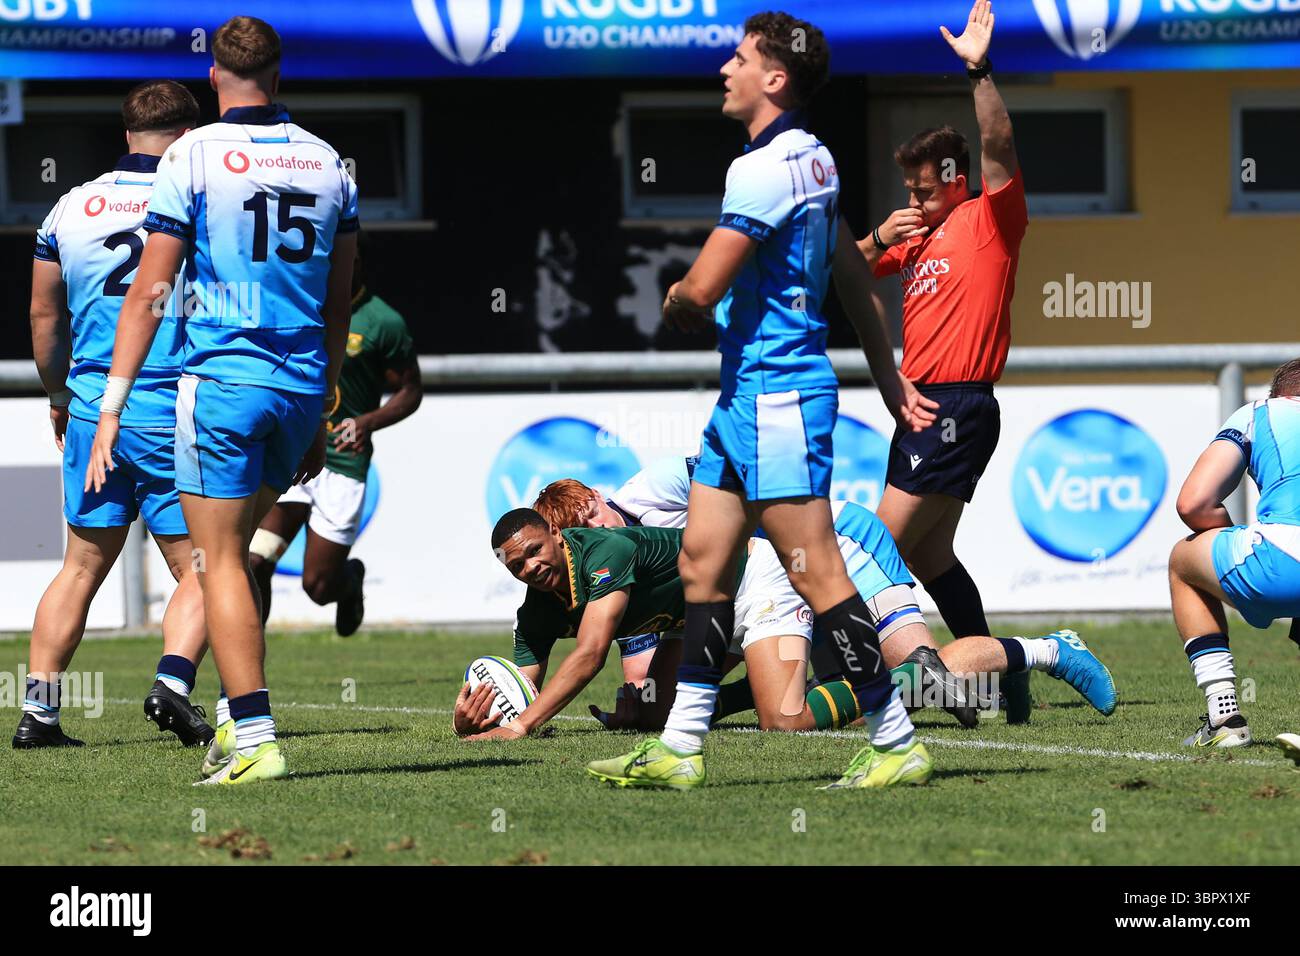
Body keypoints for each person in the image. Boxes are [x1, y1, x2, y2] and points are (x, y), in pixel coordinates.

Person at [590, 11, 939, 792]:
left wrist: (677, 297)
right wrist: (888, 378)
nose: (725, 68)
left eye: (740, 58)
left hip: (776, 400)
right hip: (748, 398)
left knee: (816, 572)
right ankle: (681, 749)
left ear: (774, 79)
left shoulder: (762, 169)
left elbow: (701, 289)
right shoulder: (814, 159)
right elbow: (852, 273)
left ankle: (895, 737)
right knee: (702, 564)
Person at [86, 16, 359, 785]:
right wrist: (324, 400)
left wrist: (111, 402)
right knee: (230, 561)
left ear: (214, 76)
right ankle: (240, 723)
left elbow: (150, 289)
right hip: (301, 383)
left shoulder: (194, 153)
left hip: (222, 385)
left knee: (220, 564)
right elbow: (340, 301)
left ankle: (257, 738)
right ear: (280, 71)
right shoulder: (330, 162)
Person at [17, 80, 211, 751]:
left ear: (126, 134)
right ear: (188, 136)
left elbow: (44, 317)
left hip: (92, 404)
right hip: (170, 402)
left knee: (78, 569)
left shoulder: (69, 207)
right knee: (206, 568)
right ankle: (173, 685)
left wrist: (58, 394)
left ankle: (38, 713)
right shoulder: (198, 199)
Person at [853, 1, 1032, 721]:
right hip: (925, 407)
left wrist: (979, 69)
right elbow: (847, 276)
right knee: (929, 561)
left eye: (924, 189)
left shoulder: (990, 218)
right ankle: (995, 677)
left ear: (957, 178)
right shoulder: (914, 237)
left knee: (871, 551)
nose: (915, 200)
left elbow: (999, 140)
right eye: (908, 189)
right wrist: (875, 236)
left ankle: (892, 686)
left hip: (955, 405)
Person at [248, 231, 422, 636]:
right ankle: (247, 676)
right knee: (256, 561)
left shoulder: (383, 321)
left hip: (342, 460)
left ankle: (349, 580)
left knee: (317, 586)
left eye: (350, 255)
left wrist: (366, 422)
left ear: (358, 259)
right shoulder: (298, 305)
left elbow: (410, 390)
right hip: (291, 451)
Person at [1168, 359, 1300, 751]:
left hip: (1281, 559)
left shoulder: (1260, 413)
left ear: (1281, 394)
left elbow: (1193, 503)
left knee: (1182, 562)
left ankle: (1224, 716)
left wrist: (1232, 533)